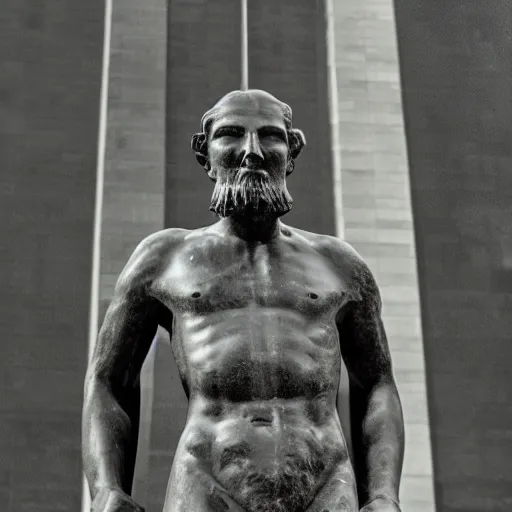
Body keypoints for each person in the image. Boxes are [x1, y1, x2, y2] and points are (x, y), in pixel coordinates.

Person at [82, 89, 405, 512]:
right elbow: (109, 380)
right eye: (231, 135)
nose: (251, 151)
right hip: (207, 480)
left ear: (291, 153)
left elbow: (377, 383)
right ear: (205, 153)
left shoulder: (340, 266)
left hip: (324, 484)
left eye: (269, 136)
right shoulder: (165, 259)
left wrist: (382, 494)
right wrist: (107, 487)